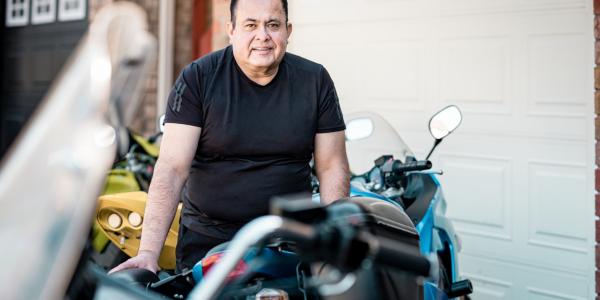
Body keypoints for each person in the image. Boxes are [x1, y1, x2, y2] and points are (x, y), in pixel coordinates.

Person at [109, 0, 349, 274]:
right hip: (209, 245)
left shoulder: (315, 80)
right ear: (231, 30)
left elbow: (332, 166)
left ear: (288, 30)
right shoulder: (198, 78)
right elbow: (172, 169)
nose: (263, 36)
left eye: (273, 25)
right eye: (250, 25)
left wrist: (335, 241)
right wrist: (148, 253)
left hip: (288, 240)